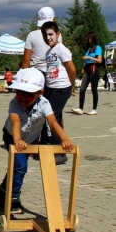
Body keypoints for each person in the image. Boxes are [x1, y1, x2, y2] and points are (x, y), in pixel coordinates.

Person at [0, 68, 74, 214]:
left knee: (18, 166)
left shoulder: (44, 103)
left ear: (40, 93)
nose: (23, 97)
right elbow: (15, 121)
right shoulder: (14, 104)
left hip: (30, 139)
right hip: (12, 136)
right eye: (19, 92)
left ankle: (5, 188)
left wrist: (65, 139)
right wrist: (17, 139)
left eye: (28, 94)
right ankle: (14, 198)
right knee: (20, 165)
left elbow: (52, 122)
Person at [40, 21, 76, 165]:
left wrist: (71, 86)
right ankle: (58, 144)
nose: (48, 38)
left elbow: (71, 70)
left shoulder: (62, 49)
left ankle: (59, 152)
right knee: (54, 116)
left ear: (57, 34)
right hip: (50, 88)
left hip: (61, 88)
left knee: (52, 116)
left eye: (50, 34)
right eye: (45, 35)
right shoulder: (49, 52)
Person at [72, 32, 103, 115]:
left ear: (92, 38)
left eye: (88, 38)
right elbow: (86, 60)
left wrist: (89, 57)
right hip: (87, 68)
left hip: (94, 69)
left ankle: (94, 109)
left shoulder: (98, 47)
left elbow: (99, 60)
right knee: (82, 89)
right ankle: (80, 108)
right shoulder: (88, 48)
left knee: (94, 89)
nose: (86, 39)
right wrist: (84, 67)